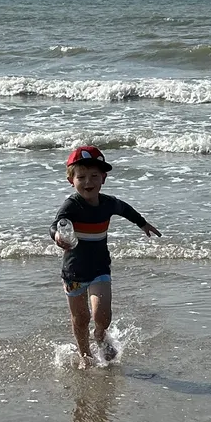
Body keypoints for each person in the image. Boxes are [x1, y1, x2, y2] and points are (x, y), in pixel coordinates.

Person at [52, 145, 161, 366]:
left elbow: (126, 209)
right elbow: (56, 225)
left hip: (100, 269)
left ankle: (100, 334)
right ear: (70, 180)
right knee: (80, 319)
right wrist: (57, 237)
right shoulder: (71, 205)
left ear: (104, 178)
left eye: (94, 176)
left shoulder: (108, 203)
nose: (88, 182)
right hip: (73, 273)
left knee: (102, 314)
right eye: (81, 177)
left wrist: (143, 224)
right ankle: (85, 354)